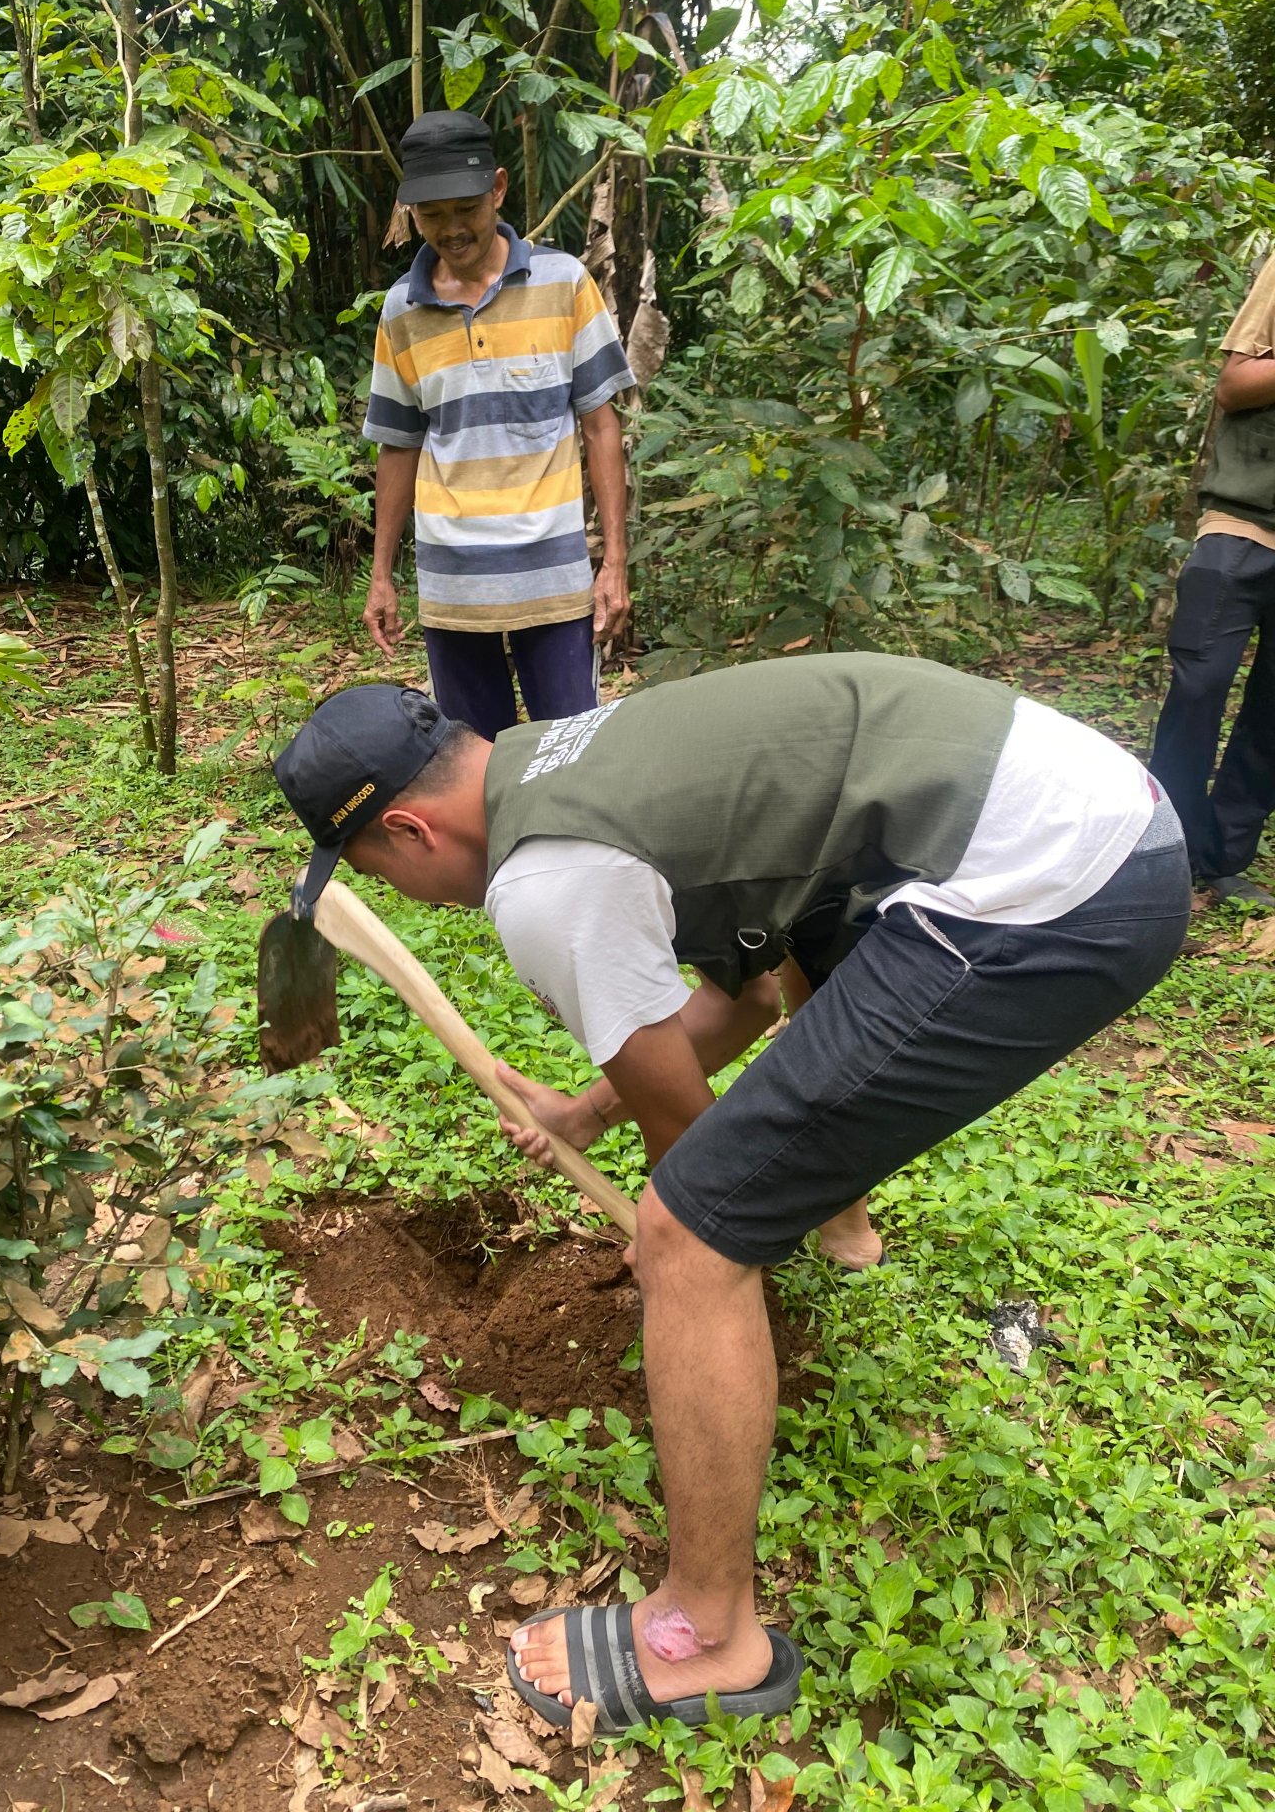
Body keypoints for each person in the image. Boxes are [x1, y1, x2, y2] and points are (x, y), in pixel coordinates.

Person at [272, 656, 1190, 1732]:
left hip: (1054, 893)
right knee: (792, 1004)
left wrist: (691, 1247)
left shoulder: (545, 881)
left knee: (693, 1234)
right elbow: (749, 991)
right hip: (1095, 809)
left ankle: (706, 1636)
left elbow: (691, 1150)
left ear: (409, 832)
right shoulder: (575, 758)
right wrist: (589, 1112)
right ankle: (841, 1218)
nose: (402, 897)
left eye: (378, 874)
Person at [360, 109, 636, 740]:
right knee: (471, 764)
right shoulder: (401, 311)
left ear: (499, 189)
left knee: (569, 757)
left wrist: (614, 562)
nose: (452, 229)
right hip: (453, 587)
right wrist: (381, 577)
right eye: (432, 215)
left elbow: (601, 427)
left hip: (554, 580)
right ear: (410, 212)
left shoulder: (565, 284)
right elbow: (398, 448)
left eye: (467, 209)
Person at [1149, 253, 1275, 907]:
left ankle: (1224, 857)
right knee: (1198, 686)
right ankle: (1163, 848)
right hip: (1243, 521)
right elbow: (1234, 385)